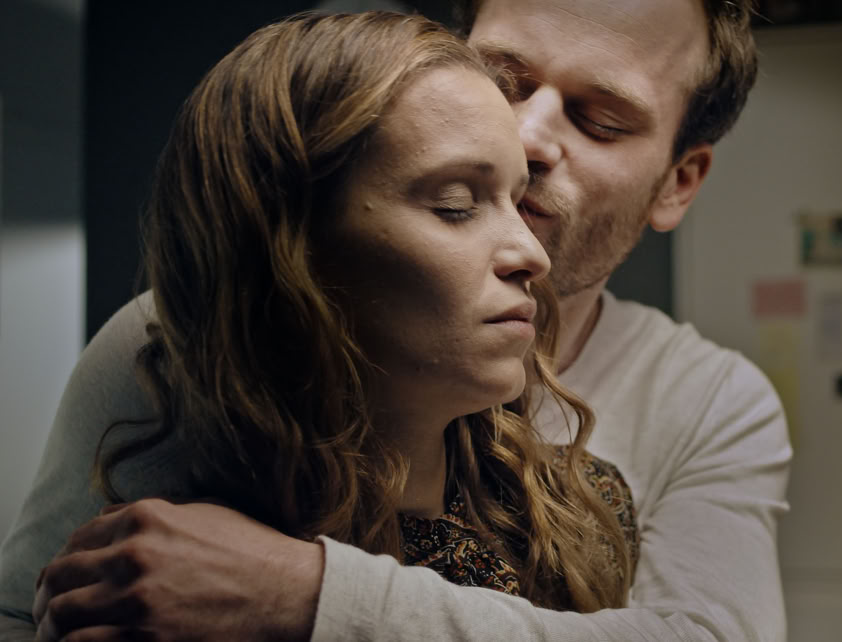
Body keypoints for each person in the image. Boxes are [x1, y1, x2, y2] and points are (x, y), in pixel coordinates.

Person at [1, 0, 793, 640]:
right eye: (502, 79)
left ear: (678, 182)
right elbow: (30, 607)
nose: (527, 133)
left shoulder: (702, 407)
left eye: (601, 120)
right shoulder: (176, 347)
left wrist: (305, 598)